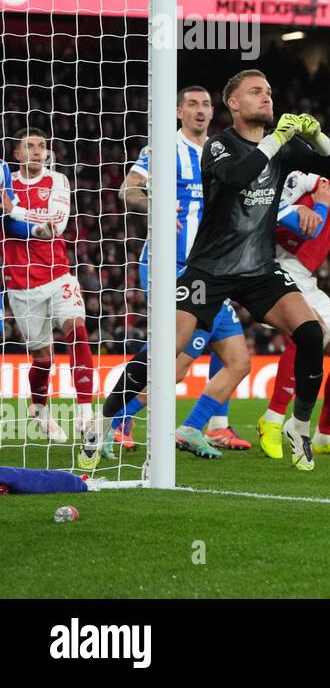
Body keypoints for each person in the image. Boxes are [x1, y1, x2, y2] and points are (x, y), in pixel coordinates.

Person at [83, 69, 330, 473]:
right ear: (234, 104)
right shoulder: (220, 146)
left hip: (259, 269)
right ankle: (102, 420)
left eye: (269, 91)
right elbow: (237, 177)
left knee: (310, 332)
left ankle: (297, 426)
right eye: (256, 92)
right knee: (166, 347)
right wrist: (279, 138)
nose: (267, 98)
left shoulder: (285, 147)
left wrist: (316, 137)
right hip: (209, 270)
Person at [105, 86, 252, 457]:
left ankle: (189, 427)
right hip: (171, 266)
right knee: (178, 358)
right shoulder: (163, 148)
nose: (201, 110)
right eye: (192, 104)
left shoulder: (222, 152)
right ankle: (115, 419)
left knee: (238, 360)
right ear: (178, 111)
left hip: (212, 272)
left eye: (206, 104)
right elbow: (129, 190)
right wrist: (153, 204)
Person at [256, 127, 330, 459]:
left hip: (306, 278)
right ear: (329, 152)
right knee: (309, 330)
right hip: (274, 265)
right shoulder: (306, 177)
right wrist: (300, 211)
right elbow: (267, 207)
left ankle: (325, 435)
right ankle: (273, 419)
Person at [3, 129, 93, 442]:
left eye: (42, 146)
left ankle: (86, 409)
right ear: (17, 154)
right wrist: (15, 216)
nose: (38, 151)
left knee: (77, 328)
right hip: (20, 283)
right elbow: (7, 226)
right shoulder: (6, 182)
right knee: (42, 357)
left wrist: (12, 210)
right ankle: (39, 410)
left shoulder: (57, 180)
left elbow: (57, 225)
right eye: (29, 146)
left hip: (58, 275)